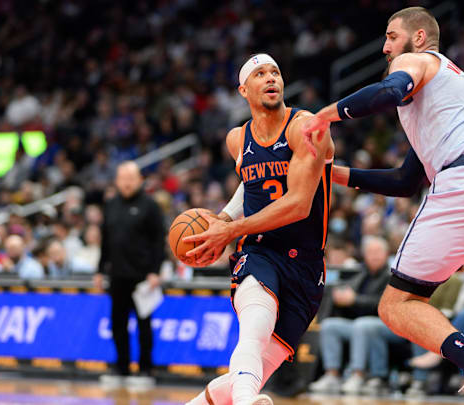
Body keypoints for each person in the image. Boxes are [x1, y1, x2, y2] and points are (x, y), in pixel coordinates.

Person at [302, 7, 464, 405]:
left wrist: (323, 117)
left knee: (397, 304)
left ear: (417, 37)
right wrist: (332, 174)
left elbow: (387, 91)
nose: (384, 48)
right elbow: (406, 181)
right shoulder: (454, 90)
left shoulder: (417, 61)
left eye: (391, 37)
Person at [182, 53, 334, 405]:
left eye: (276, 72)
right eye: (261, 73)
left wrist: (231, 230)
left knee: (248, 375)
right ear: (243, 90)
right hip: (260, 251)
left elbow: (298, 204)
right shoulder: (237, 139)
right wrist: (225, 218)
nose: (271, 78)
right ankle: (250, 402)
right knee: (253, 330)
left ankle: (242, 398)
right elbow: (250, 185)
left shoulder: (304, 126)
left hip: (307, 263)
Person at [94, 161, 166, 389]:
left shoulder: (150, 206)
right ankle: (121, 367)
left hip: (143, 277)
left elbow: (158, 242)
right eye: (122, 178)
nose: (126, 182)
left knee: (144, 324)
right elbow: (105, 241)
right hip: (117, 276)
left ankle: (145, 369)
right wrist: (99, 270)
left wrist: (155, 271)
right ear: (116, 181)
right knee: (118, 324)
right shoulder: (111, 205)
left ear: (139, 180)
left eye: (130, 178)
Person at [308, 235, 392, 395]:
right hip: (359, 323)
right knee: (330, 325)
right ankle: (331, 375)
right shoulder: (361, 274)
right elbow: (348, 294)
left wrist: (354, 300)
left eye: (378, 251)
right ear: (364, 255)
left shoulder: (392, 276)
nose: (374, 255)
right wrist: (342, 297)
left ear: (386, 254)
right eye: (370, 252)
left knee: (363, 324)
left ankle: (358, 375)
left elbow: (383, 305)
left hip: (384, 324)